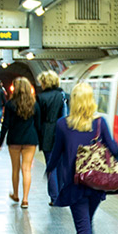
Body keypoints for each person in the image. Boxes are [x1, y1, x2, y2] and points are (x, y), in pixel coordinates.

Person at [45, 82, 118, 234]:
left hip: (75, 184)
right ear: (91, 100)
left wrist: (49, 171)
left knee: (82, 228)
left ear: (73, 101)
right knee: (87, 222)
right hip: (97, 183)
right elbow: (113, 148)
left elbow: (56, 154)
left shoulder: (63, 125)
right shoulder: (100, 123)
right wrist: (116, 164)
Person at [0, 76, 41, 208]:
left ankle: (16, 194)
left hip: (14, 139)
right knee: (26, 169)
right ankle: (25, 200)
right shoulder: (34, 104)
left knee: (15, 169)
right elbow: (38, 125)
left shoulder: (10, 104)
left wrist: (0, 141)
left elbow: (6, 125)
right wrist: (39, 140)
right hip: (30, 140)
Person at [35, 71, 69, 203]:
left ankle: (54, 197)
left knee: (51, 165)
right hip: (63, 134)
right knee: (61, 165)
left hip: (47, 134)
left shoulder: (41, 97)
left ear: (45, 82)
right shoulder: (64, 96)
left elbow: (38, 120)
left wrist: (39, 137)